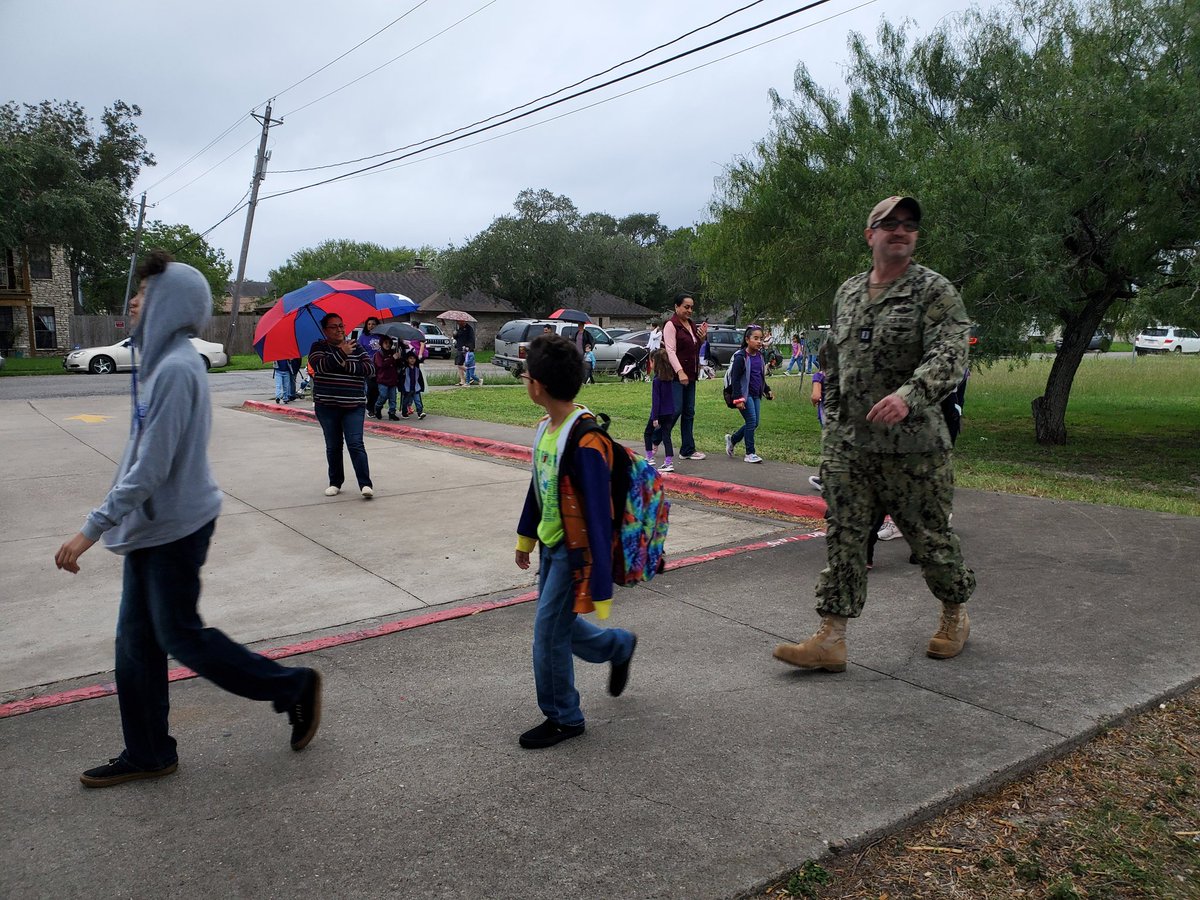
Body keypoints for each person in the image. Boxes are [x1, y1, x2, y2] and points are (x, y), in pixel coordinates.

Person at [54, 250, 321, 789]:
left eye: (145, 293)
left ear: (171, 303)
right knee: (136, 645)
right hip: (152, 527)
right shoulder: (159, 366)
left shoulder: (176, 369)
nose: (133, 300)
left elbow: (150, 468)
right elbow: (138, 455)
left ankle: (291, 686)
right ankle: (149, 751)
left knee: (178, 635)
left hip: (175, 527)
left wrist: (91, 528)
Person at [774, 195, 976, 672]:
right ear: (871, 234)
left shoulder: (935, 291)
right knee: (844, 536)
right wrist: (834, 424)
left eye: (909, 225)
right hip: (852, 447)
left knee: (930, 540)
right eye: (890, 223)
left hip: (915, 448)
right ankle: (832, 637)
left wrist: (910, 395)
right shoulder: (847, 293)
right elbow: (833, 362)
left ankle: (954, 613)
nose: (900, 230)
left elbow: (951, 354)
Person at [514, 335, 638, 749]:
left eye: (525, 374)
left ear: (538, 386)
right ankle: (618, 646)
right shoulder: (545, 431)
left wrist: (599, 584)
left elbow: (600, 520)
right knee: (559, 626)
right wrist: (526, 539)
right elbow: (540, 490)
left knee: (547, 635)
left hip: (575, 553)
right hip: (551, 545)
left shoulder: (585, 442)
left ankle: (564, 716)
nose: (524, 381)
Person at [310, 313, 375, 499]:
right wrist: (341, 354)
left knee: (355, 444)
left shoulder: (357, 346)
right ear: (325, 330)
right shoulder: (318, 347)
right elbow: (320, 366)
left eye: (341, 325)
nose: (339, 329)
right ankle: (335, 482)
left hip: (353, 405)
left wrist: (345, 365)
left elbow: (369, 370)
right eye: (333, 327)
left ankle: (365, 484)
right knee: (333, 445)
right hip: (327, 406)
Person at [662, 294, 708, 460]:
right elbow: (670, 350)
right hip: (675, 376)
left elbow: (693, 348)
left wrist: (701, 340)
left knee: (689, 412)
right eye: (686, 307)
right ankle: (654, 438)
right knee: (676, 410)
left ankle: (687, 449)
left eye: (691, 307)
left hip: (691, 375)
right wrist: (680, 371)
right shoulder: (671, 325)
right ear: (676, 307)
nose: (689, 310)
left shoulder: (691, 325)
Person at [723, 325, 775, 464]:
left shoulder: (759, 356)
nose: (759, 341)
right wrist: (738, 399)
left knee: (754, 422)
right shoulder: (741, 357)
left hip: (756, 394)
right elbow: (735, 379)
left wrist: (767, 390)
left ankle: (732, 439)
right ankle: (750, 453)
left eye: (761, 339)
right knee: (751, 421)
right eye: (755, 338)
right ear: (747, 339)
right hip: (744, 395)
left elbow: (760, 376)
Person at [643, 348, 678, 472]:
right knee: (666, 436)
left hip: (659, 413)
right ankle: (668, 462)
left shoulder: (656, 380)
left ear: (655, 362)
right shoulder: (669, 378)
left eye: (650, 362)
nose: (650, 365)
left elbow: (656, 400)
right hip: (670, 412)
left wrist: (655, 417)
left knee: (648, 433)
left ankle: (649, 457)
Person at [372, 334, 401, 421]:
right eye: (385, 343)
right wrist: (392, 358)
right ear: (381, 344)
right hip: (382, 379)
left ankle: (392, 413)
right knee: (383, 396)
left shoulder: (393, 352)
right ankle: (377, 407)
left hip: (392, 379)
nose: (387, 344)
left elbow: (397, 366)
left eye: (389, 343)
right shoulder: (379, 354)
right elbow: (381, 365)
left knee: (393, 398)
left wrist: (398, 358)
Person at [358, 317, 382, 417]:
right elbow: (359, 350)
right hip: (368, 366)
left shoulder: (381, 336)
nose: (371, 326)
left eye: (373, 324)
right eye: (369, 324)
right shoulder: (363, 337)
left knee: (379, 388)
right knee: (371, 387)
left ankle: (376, 406)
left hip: (381, 366)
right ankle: (370, 408)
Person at [399, 350, 427, 419]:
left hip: (416, 388)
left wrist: (421, 387)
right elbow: (401, 379)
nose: (412, 360)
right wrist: (401, 388)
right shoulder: (404, 369)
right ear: (407, 359)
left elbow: (420, 379)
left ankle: (420, 413)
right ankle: (404, 413)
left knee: (418, 401)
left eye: (414, 358)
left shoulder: (417, 369)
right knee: (405, 401)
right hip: (407, 388)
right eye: (410, 358)